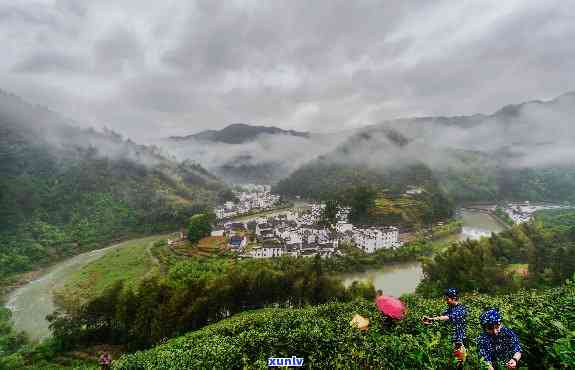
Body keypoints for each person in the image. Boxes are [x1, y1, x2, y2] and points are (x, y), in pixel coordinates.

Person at [422, 288, 467, 367]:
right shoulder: (449, 308)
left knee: (458, 364)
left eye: (447, 298)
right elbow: (442, 319)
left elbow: (447, 317)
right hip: (448, 341)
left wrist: (433, 319)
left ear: (454, 298)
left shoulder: (461, 309)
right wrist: (429, 321)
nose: (446, 300)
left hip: (458, 343)